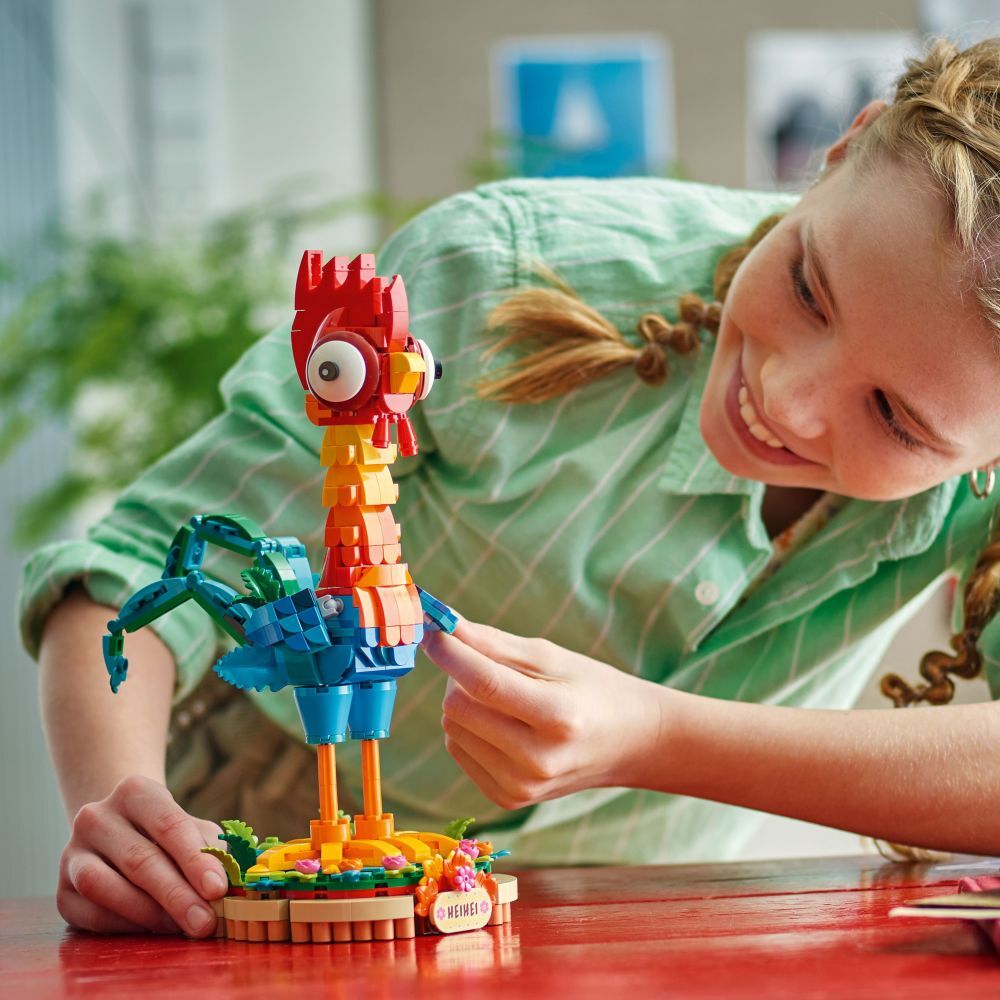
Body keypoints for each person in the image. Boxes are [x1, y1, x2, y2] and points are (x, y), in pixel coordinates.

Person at [20, 37, 1000, 939]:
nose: (786, 400)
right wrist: (119, 800)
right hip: (263, 831)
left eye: (894, 417)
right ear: (845, 145)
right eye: (807, 289)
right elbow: (133, 567)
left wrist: (660, 738)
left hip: (631, 917)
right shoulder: (500, 265)